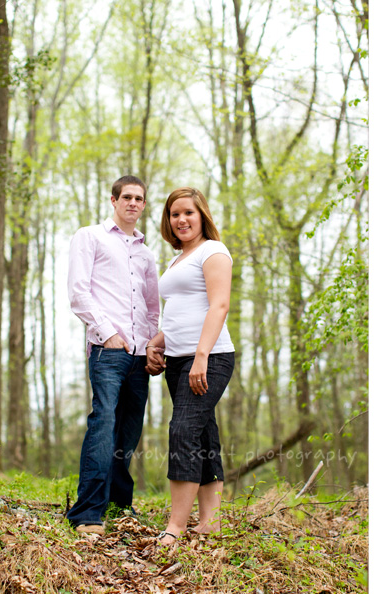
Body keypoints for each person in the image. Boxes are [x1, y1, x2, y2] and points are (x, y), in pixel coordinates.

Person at [66, 175, 160, 535]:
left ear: (144, 205)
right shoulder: (90, 237)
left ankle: (120, 504)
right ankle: (88, 512)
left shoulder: (147, 253)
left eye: (139, 198)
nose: (133, 203)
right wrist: (109, 334)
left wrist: (152, 347)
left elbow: (152, 310)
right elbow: (79, 293)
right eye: (127, 197)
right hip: (108, 351)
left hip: (140, 357)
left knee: (128, 433)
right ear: (114, 200)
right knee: (103, 423)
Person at [144, 187, 235, 545]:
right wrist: (156, 344)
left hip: (209, 358)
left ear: (202, 216)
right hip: (178, 359)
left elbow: (219, 306)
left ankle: (176, 527)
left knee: (182, 430)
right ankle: (209, 522)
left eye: (188, 213)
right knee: (202, 432)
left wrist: (201, 356)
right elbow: (180, 313)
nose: (181, 220)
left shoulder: (214, 251)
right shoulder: (178, 258)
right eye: (174, 214)